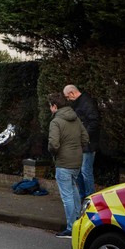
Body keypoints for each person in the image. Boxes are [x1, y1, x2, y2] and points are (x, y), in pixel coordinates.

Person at [48, 93, 89, 239]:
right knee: (74, 191)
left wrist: (54, 152)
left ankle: (71, 228)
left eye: (50, 106)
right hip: (77, 161)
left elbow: (53, 143)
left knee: (67, 196)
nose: (50, 109)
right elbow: (85, 138)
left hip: (63, 162)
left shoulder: (56, 121)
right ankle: (79, 222)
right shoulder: (75, 118)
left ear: (54, 106)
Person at [63, 84, 100, 200]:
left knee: (85, 171)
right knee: (80, 171)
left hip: (87, 144)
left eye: (67, 97)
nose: (68, 100)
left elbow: (94, 122)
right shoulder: (82, 102)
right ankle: (83, 195)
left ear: (72, 93)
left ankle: (89, 197)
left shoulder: (86, 103)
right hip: (82, 144)